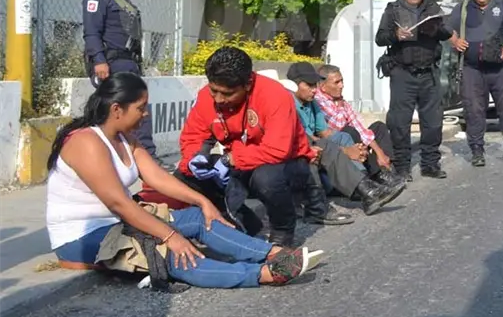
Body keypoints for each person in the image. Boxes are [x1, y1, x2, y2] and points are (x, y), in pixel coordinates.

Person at [45, 71, 325, 289]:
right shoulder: (85, 142)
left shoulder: (124, 138)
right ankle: (263, 274)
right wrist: (170, 235)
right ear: (117, 109)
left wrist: (202, 202)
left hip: (117, 224)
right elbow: (119, 203)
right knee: (170, 252)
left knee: (197, 217)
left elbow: (156, 178)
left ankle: (273, 253)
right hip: (82, 238)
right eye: (141, 108)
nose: (146, 115)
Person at [175, 46, 322, 247]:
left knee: (266, 178)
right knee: (184, 176)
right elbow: (193, 137)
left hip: (288, 163)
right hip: (242, 160)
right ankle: (241, 224)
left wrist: (231, 159)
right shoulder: (205, 97)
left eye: (227, 94)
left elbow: (277, 150)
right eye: (214, 90)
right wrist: (195, 158)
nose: (218, 99)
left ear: (248, 84)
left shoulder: (275, 95)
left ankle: (282, 229)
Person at [287, 62, 406, 214]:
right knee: (343, 135)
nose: (314, 89)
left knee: (344, 136)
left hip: (317, 146)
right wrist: (346, 151)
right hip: (298, 155)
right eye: (309, 85)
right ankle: (366, 189)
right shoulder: (289, 104)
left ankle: (367, 188)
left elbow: (325, 132)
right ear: (294, 85)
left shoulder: (312, 102)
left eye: (314, 85)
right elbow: (307, 139)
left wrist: (355, 149)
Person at [374, 0, 455, 180]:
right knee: (400, 123)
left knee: (433, 121)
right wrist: (395, 34)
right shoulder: (392, 10)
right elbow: (380, 38)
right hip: (403, 73)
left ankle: (430, 164)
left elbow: (447, 33)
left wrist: (438, 28)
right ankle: (402, 167)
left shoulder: (431, 6)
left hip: (428, 74)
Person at [82, 0, 155, 158]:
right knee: (133, 109)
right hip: (112, 64)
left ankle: (140, 155)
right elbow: (91, 32)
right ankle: (145, 156)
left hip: (128, 61)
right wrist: (99, 61)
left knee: (136, 110)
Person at [447, 0, 503, 167]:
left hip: (501, 69)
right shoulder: (463, 8)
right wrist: (455, 41)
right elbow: (446, 28)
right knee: (473, 110)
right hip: (472, 69)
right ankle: (477, 150)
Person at [314, 64, 407, 184]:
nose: (342, 86)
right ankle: (376, 174)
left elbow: (359, 126)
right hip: (337, 145)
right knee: (349, 131)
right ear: (323, 86)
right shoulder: (318, 101)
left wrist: (379, 153)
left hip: (353, 140)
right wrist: (341, 106)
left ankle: (386, 167)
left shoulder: (338, 99)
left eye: (342, 81)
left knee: (379, 127)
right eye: (337, 82)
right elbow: (338, 125)